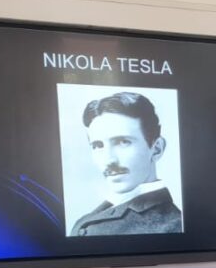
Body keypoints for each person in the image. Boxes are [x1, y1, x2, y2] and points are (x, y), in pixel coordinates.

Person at [70, 91, 183, 236]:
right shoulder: (89, 217)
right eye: (98, 145)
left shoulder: (172, 227)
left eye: (123, 142)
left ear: (156, 149)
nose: (109, 160)